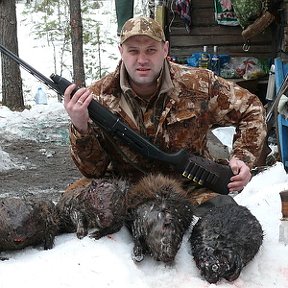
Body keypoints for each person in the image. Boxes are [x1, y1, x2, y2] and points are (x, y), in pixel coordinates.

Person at [63, 16, 267, 208]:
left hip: (190, 189)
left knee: (225, 223)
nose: (142, 59)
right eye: (133, 51)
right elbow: (93, 170)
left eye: (151, 50)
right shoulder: (97, 97)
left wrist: (242, 157)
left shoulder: (200, 84)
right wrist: (80, 127)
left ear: (165, 49)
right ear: (120, 51)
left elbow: (251, 108)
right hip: (126, 193)